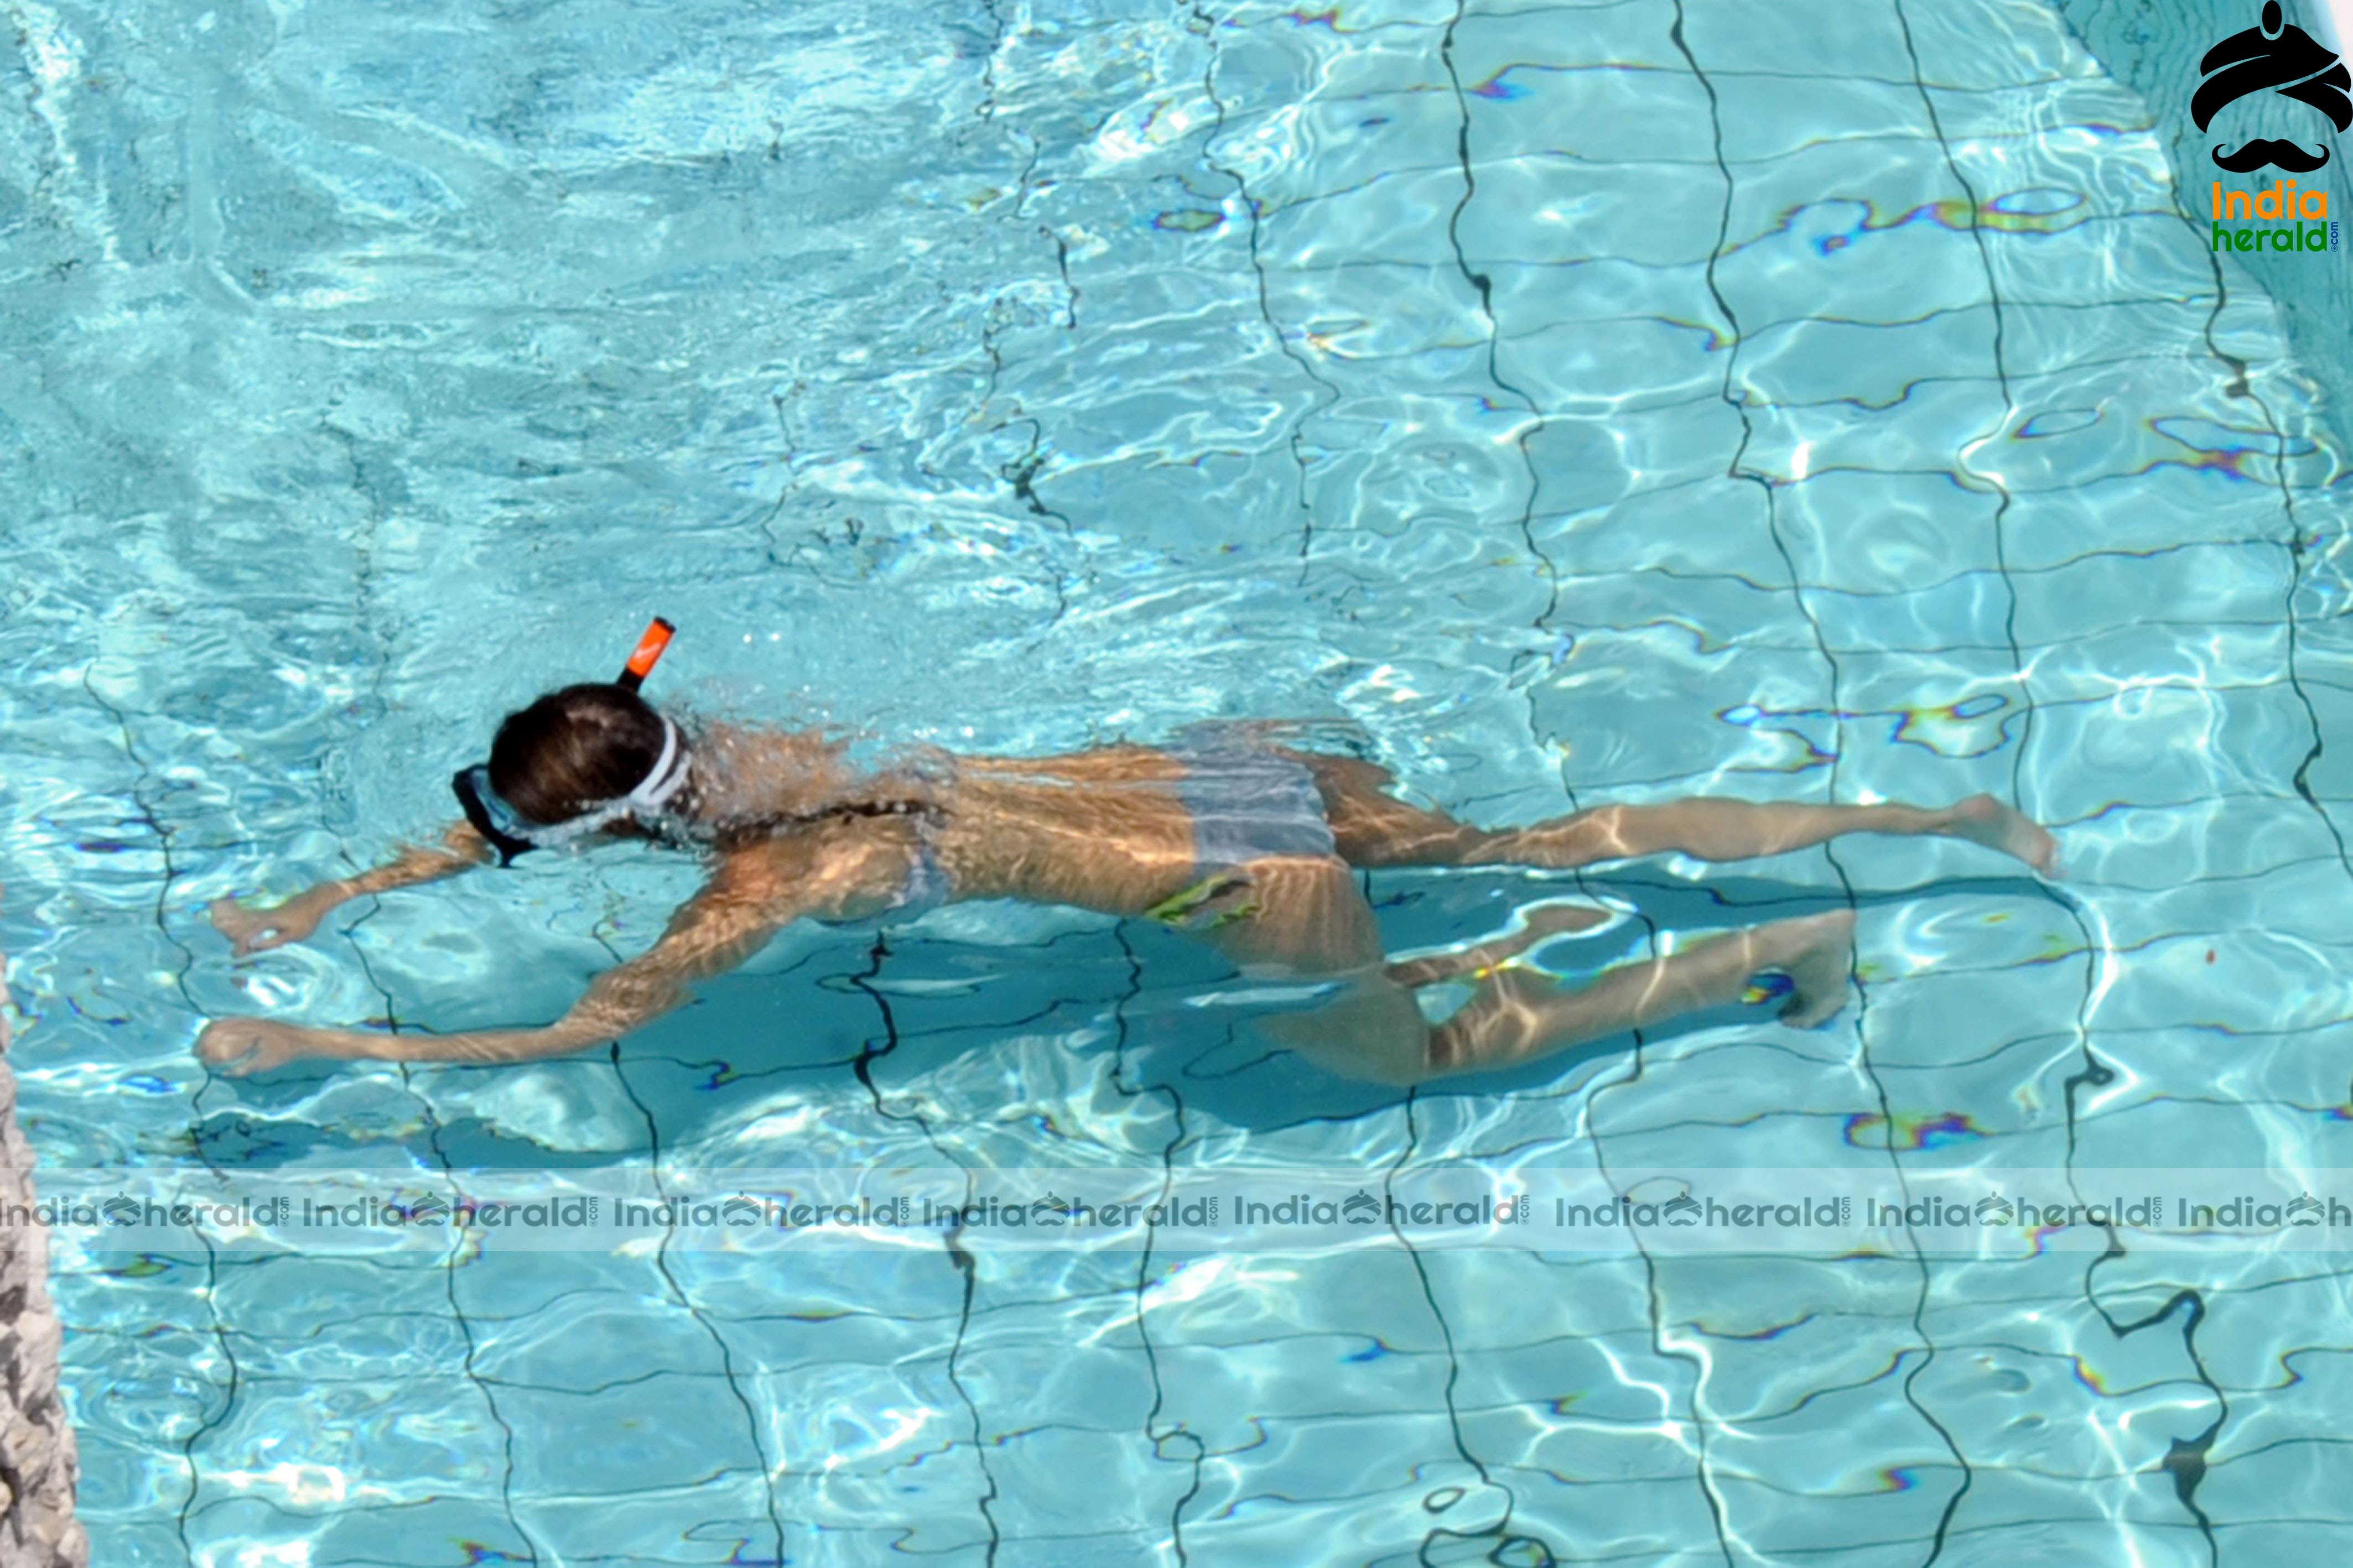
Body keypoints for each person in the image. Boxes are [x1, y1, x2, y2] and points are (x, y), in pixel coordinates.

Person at [196, 621, 2058, 1083]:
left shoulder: (767, 883)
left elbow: (577, 1038)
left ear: (622, 817)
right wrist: (332, 897)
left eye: (522, 822)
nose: (503, 837)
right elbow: (541, 803)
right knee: (1534, 842)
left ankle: (1766, 954)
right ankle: (1935, 817)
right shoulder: (743, 732)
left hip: (1248, 884)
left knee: (1392, 1057)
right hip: (1232, 770)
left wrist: (329, 1040)